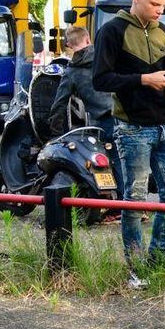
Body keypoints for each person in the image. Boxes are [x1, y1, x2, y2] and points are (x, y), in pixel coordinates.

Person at [92, 0, 165, 273]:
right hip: (131, 128)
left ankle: (156, 261)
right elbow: (100, 80)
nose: (160, 10)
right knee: (135, 199)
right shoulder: (111, 31)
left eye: (164, 5)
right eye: (155, 3)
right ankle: (135, 266)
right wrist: (145, 79)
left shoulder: (164, 32)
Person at [49, 26, 123, 202]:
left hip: (102, 120)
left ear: (68, 45)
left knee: (108, 159)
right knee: (126, 157)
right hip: (124, 113)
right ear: (88, 40)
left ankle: (122, 204)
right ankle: (135, 203)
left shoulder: (72, 71)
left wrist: (55, 132)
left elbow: (59, 103)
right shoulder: (106, 57)